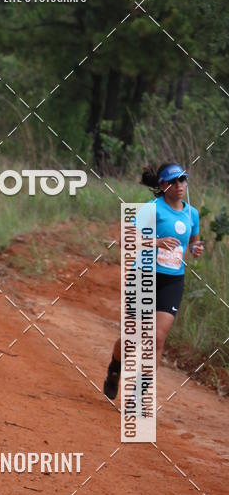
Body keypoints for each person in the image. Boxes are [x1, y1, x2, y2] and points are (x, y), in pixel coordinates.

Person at [103, 162, 204, 400]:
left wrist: (197, 248)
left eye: (183, 180)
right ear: (163, 185)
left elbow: (194, 243)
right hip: (143, 276)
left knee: (157, 337)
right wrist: (155, 243)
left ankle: (140, 394)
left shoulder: (192, 214)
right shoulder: (152, 209)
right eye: (174, 181)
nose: (180, 185)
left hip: (172, 281)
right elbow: (125, 239)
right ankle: (115, 368)